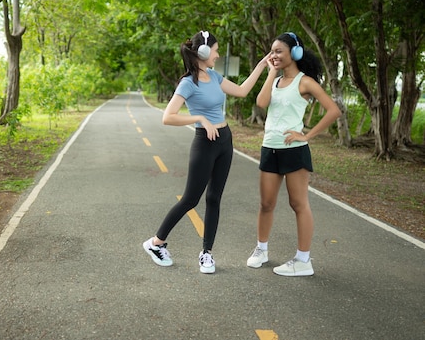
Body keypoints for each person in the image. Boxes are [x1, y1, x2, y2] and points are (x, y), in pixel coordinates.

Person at [143, 30, 269, 274]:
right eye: (215, 50)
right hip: (205, 142)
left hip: (224, 140)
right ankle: (155, 243)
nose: (218, 54)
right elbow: (168, 117)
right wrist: (200, 118)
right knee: (191, 198)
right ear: (203, 52)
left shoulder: (214, 75)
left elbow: (242, 91)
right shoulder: (188, 83)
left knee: (214, 198)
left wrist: (263, 66)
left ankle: (206, 254)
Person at [246, 32, 341, 277]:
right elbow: (262, 102)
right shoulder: (275, 81)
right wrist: (270, 73)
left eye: (279, 51)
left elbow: (333, 110)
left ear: (294, 53)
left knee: (298, 204)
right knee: (266, 203)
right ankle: (262, 249)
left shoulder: (305, 82)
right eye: (272, 51)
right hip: (270, 147)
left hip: (295, 150)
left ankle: (303, 260)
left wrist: (307, 136)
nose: (274, 55)